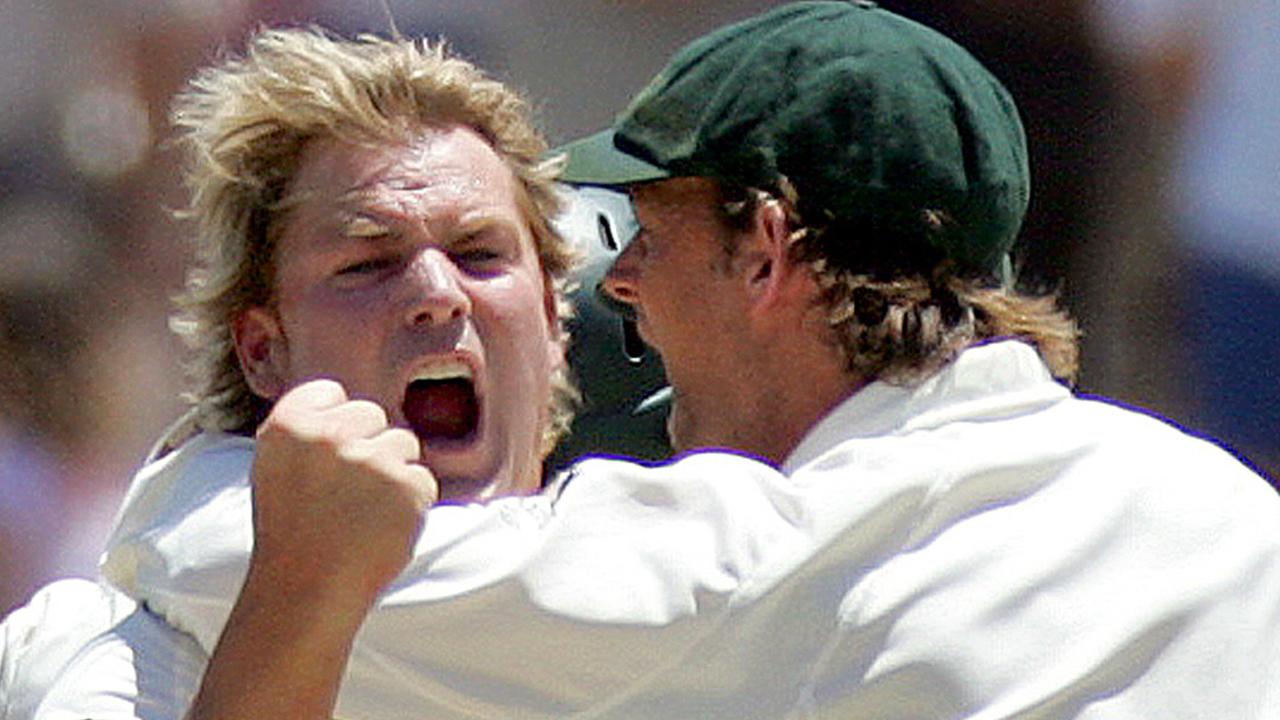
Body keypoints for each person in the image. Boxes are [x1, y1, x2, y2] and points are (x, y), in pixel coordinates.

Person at [37, 3, 1280, 719]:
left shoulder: (753, 561)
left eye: (650, 233)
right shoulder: (1226, 512)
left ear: (763, 253)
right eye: (366, 264)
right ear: (262, 343)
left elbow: (300, 560)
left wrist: (197, 482)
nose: (616, 284)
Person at [2, 24, 600, 717]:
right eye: (368, 264)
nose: (438, 294)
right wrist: (298, 599)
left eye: (479, 254)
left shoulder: (694, 603)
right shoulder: (89, 654)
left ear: (555, 319)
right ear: (263, 351)